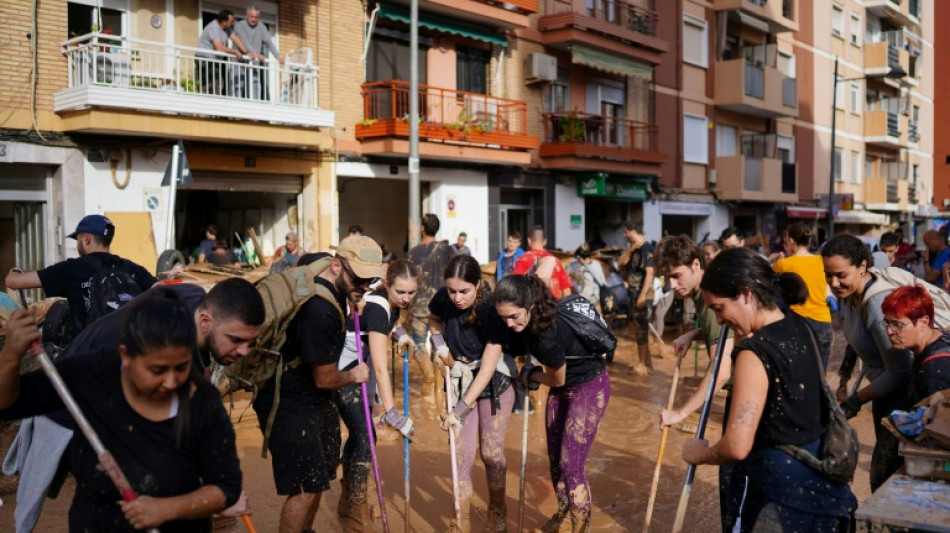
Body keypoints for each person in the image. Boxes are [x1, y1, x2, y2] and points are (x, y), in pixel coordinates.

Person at [2, 278, 264, 532]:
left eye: (183, 367)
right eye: (158, 369)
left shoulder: (202, 399)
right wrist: (11, 354)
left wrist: (171, 507)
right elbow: (8, 403)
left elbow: (225, 487)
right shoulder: (91, 374)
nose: (172, 382)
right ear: (125, 356)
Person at [681, 247, 855, 532]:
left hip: (783, 502)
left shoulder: (754, 353)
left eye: (719, 309)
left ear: (746, 294)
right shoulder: (802, 328)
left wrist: (698, 453)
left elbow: (737, 446)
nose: (720, 320)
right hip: (825, 492)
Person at [253, 237, 383, 533]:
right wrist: (355, 375)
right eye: (359, 279)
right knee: (305, 485)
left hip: (311, 393)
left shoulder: (319, 262)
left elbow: (305, 261)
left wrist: (353, 296)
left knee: (321, 473)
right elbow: (325, 378)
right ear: (337, 265)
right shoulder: (319, 312)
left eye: (370, 280)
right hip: (287, 396)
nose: (364, 286)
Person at [493, 274, 610, 532]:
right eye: (503, 318)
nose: (510, 324)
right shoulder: (526, 318)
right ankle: (563, 512)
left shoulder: (545, 335)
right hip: (563, 387)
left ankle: (581, 527)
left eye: (514, 317)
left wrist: (530, 374)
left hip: (589, 387)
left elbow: (556, 380)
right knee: (556, 459)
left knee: (572, 464)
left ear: (531, 306)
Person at [821, 234, 913, 491]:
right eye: (828, 275)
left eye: (841, 274)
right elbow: (856, 343)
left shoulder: (877, 304)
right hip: (884, 394)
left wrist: (855, 400)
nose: (834, 282)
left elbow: (900, 371)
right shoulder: (850, 296)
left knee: (887, 483)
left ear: (863, 266)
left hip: (905, 399)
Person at [431, 255, 515, 532]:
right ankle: (462, 520)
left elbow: (488, 368)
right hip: (459, 378)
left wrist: (459, 410)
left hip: (493, 382)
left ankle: (497, 510)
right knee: (461, 456)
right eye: (452, 290)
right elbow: (434, 319)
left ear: (478, 284)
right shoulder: (445, 297)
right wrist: (439, 342)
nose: (457, 298)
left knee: (491, 454)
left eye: (464, 291)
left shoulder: (492, 309)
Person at [333, 259, 418, 531]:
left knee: (361, 434)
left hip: (356, 369)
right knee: (366, 436)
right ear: (388, 285)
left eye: (411, 293)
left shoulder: (381, 299)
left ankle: (348, 503)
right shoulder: (380, 308)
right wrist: (393, 414)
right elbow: (381, 369)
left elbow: (387, 324)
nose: (405, 298)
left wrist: (401, 333)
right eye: (400, 292)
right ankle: (355, 509)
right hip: (343, 373)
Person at [5, 214, 158, 337]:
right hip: (130, 346)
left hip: (88, 354)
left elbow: (13, 282)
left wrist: (15, 271)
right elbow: (161, 289)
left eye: (77, 239)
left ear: (86, 240)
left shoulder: (72, 269)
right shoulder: (129, 267)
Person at [655, 235, 734, 429]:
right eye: (667, 278)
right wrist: (693, 334)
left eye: (676, 276)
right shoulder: (704, 290)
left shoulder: (712, 297)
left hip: (754, 389)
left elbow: (720, 372)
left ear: (696, 265)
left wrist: (680, 413)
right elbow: (728, 329)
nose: (672, 286)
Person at [408, 214, 456, 401]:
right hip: (442, 305)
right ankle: (438, 388)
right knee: (439, 344)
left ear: (422, 228)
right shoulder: (448, 250)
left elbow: (410, 277)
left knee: (419, 342)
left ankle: (428, 376)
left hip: (419, 304)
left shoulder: (414, 252)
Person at [772, 223, 834, 367]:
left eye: (787, 241)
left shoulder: (783, 264)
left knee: (798, 373)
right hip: (823, 323)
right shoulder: (820, 261)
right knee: (820, 375)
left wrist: (778, 260)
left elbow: (768, 278)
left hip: (797, 323)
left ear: (791, 241)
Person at [880, 286, 950, 403]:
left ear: (923, 322)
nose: (889, 331)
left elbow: (938, 420)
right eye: (887, 323)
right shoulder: (940, 335)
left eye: (898, 324)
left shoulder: (933, 373)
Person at [616, 220, 653, 375]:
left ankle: (643, 365)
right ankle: (646, 364)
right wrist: (630, 250)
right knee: (639, 329)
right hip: (634, 293)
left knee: (641, 330)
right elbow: (620, 263)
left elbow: (650, 273)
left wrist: (643, 296)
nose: (624, 235)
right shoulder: (634, 249)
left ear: (632, 231)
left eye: (625, 232)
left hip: (642, 294)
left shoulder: (647, 249)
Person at [231, 5, 282, 100]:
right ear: (246, 16)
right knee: (238, 84)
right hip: (239, 61)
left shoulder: (262, 27)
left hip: (253, 61)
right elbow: (244, 42)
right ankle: (236, 105)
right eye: (252, 17)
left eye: (256, 17)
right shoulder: (239, 25)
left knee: (256, 84)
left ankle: (256, 105)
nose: (254, 19)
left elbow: (269, 43)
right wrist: (256, 54)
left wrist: (278, 57)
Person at [513, 226, 572, 299]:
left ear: (529, 240)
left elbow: (516, 285)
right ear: (545, 241)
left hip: (533, 304)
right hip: (554, 305)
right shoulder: (555, 260)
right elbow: (566, 289)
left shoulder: (522, 259)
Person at [195, 10, 245, 95]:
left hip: (213, 60)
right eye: (231, 21)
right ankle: (210, 104)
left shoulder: (226, 29)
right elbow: (219, 48)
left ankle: (211, 101)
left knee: (216, 83)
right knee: (216, 83)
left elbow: (236, 39)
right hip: (204, 59)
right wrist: (235, 51)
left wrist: (247, 52)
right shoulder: (214, 28)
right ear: (224, 22)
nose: (233, 23)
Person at [573, 245, 607, 313]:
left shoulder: (587, 273)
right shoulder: (595, 264)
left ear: (580, 258)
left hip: (591, 305)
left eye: (578, 259)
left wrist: (576, 302)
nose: (578, 262)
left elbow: (586, 292)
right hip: (599, 302)